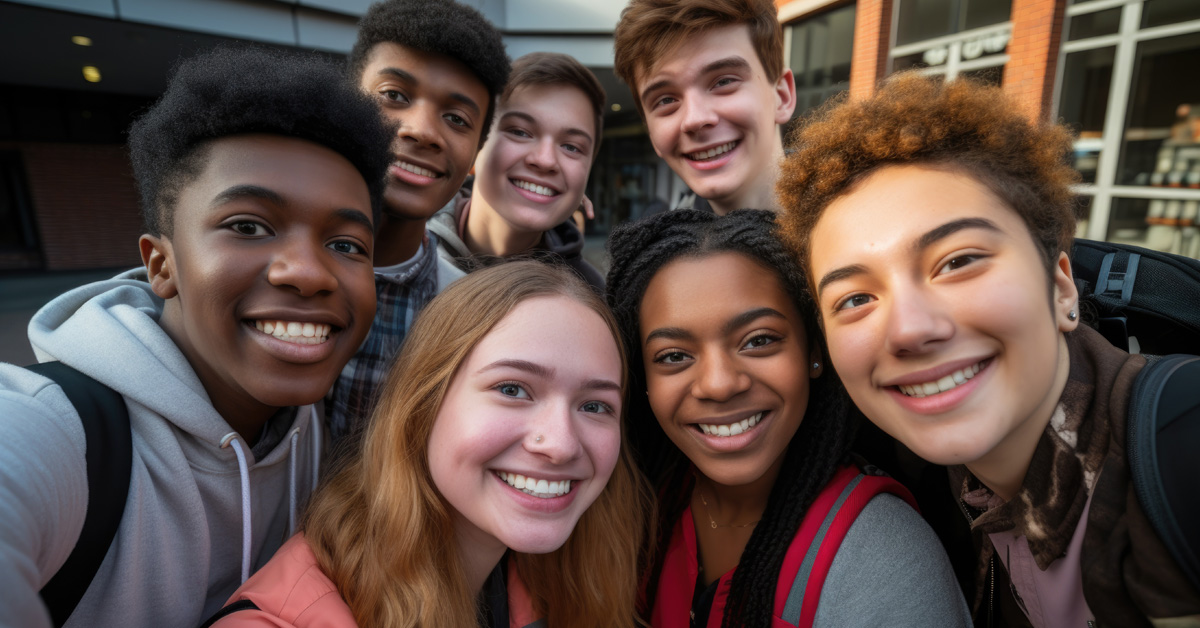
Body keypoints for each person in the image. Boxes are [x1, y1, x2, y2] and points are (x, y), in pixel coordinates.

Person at [775, 72, 1200, 627]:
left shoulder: (1182, 451)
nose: (908, 329)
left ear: (1059, 287)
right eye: (855, 298)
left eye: (958, 261)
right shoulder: (942, 489)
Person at [0, 46, 391, 628]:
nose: (309, 272)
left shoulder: (318, 429)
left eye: (346, 245)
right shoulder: (56, 429)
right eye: (248, 227)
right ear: (162, 265)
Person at [208, 261, 649, 628]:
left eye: (594, 406)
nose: (560, 444)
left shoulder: (554, 580)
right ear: (422, 406)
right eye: (513, 389)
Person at [605, 210, 969, 627]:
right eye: (673, 356)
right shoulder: (638, 515)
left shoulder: (883, 559)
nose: (719, 385)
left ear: (814, 350)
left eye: (758, 341)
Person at [328, 0, 511, 448]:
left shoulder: (469, 319)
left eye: (456, 119)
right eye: (394, 96)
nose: (421, 130)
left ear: (474, 158)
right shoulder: (264, 266)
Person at [427, 52, 606, 291]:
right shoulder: (398, 256)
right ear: (477, 143)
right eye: (520, 132)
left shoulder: (593, 299)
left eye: (571, 147)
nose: (545, 160)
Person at [612, 0, 796, 216]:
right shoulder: (661, 243)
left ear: (782, 96)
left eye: (724, 82)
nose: (694, 119)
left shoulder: (842, 228)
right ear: (651, 133)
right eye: (665, 100)